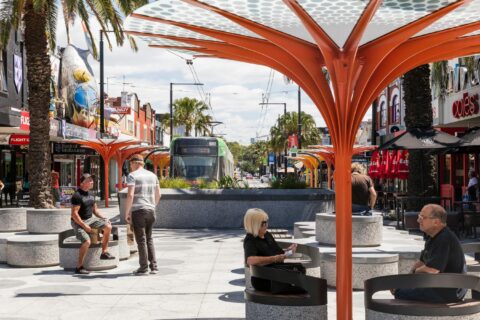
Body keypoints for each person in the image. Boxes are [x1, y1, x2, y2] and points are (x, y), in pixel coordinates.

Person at [393, 204, 467, 303]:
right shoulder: (432, 236)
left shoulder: (443, 238)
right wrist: (408, 278)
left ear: (436, 222)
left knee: (398, 292)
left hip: (449, 291)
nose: (418, 220)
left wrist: (415, 273)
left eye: (422, 217)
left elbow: (432, 269)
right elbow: (421, 261)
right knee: (398, 287)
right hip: (438, 284)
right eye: (419, 217)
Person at [243, 208, 300, 292]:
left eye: (267, 222)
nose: (267, 225)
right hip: (265, 278)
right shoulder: (250, 240)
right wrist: (274, 258)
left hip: (276, 272)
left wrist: (288, 251)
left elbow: (278, 253)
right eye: (264, 223)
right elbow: (250, 260)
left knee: (299, 269)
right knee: (301, 286)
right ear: (255, 224)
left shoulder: (267, 235)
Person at [71, 173, 115, 275]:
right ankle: (79, 267)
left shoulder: (91, 194)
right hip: (78, 222)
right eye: (89, 180)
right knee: (87, 242)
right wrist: (84, 225)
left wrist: (103, 217)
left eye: (92, 180)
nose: (92, 181)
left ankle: (104, 252)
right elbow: (74, 214)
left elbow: (95, 210)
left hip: (90, 219)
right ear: (82, 183)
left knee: (108, 226)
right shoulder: (77, 195)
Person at [124, 155, 161, 276]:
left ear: (135, 163)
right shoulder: (153, 175)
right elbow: (158, 194)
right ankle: (154, 267)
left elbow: (130, 195)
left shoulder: (132, 176)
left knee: (141, 240)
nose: (130, 167)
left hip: (138, 211)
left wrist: (127, 212)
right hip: (151, 210)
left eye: (130, 164)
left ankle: (143, 268)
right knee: (149, 238)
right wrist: (152, 205)